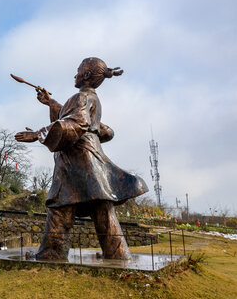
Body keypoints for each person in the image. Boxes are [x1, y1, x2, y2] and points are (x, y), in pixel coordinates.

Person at [15, 57, 148, 260]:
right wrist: (50, 102)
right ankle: (118, 254)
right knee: (101, 207)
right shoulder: (91, 99)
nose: (75, 74)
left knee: (61, 207)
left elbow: (76, 122)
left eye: (78, 71)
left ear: (85, 75)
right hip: (89, 159)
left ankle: (52, 254)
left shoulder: (82, 98)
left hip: (76, 161)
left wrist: (37, 134)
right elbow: (74, 118)